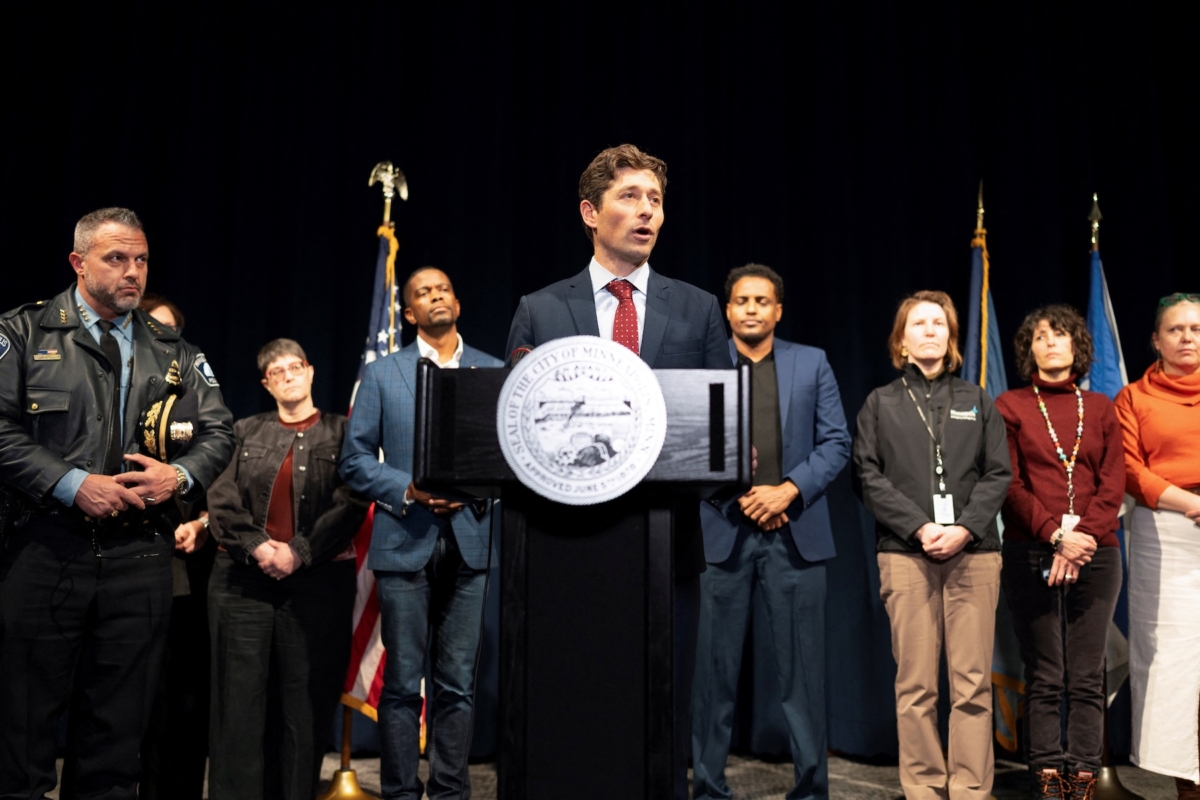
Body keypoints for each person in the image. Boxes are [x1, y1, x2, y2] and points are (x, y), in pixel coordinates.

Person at [504, 143, 730, 800]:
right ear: (589, 212)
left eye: (656, 200)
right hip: (564, 547)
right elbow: (517, 428)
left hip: (667, 544)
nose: (647, 212)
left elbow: (718, 426)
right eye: (630, 197)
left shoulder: (698, 310)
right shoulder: (541, 309)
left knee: (661, 712)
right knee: (574, 711)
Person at [0, 207, 235, 798]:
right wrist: (71, 483)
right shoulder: (23, 333)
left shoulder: (173, 348)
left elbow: (220, 432)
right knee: (21, 736)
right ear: (78, 263)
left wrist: (177, 479)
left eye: (142, 259)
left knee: (115, 740)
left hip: (139, 559)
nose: (133, 271)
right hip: (43, 548)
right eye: (117, 258)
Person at [340, 267, 502, 800]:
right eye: (422, 293)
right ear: (409, 313)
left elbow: (511, 456)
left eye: (443, 289)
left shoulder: (493, 371)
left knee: (457, 684)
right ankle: (401, 793)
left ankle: (451, 791)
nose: (435, 296)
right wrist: (408, 488)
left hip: (471, 541)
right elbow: (354, 461)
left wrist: (480, 488)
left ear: (457, 301)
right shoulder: (384, 375)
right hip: (402, 541)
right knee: (404, 684)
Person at [691, 264, 851, 800]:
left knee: (802, 679)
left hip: (795, 535)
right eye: (742, 301)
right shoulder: (706, 367)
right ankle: (709, 788)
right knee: (714, 677)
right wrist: (741, 495)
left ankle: (810, 791)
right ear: (728, 310)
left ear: (778, 309)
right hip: (722, 535)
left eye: (763, 300)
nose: (752, 309)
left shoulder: (812, 363)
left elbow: (835, 444)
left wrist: (786, 491)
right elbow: (690, 445)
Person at [852, 290, 1011, 800]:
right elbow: (867, 476)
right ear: (902, 339)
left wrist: (964, 528)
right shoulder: (880, 403)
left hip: (975, 552)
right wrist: (921, 528)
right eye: (918, 323)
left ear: (951, 337)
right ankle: (923, 788)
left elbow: (998, 473)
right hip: (905, 555)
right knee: (916, 684)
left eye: (939, 323)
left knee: (971, 683)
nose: (929, 331)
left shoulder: (977, 400)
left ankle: (969, 789)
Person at [204, 338, 368, 800]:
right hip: (242, 584)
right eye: (276, 371)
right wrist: (258, 547)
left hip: (317, 586)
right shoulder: (243, 431)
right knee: (238, 709)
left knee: (304, 709)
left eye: (295, 366)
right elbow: (220, 498)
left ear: (311, 371)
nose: (288, 375)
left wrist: (298, 551)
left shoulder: (343, 432)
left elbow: (351, 502)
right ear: (266, 383)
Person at [993, 305, 1124, 799]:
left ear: (1077, 347)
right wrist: (1055, 537)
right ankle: (1048, 776)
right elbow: (1009, 482)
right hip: (1031, 551)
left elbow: (1113, 483)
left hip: (1097, 554)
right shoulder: (1009, 405)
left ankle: (1084, 776)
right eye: (1041, 336)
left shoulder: (1103, 408)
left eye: (1061, 335)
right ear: (1029, 348)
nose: (1051, 343)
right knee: (1046, 672)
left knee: (1087, 673)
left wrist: (1080, 539)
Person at [1114, 292, 1200, 799]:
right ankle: (1187, 785)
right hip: (1163, 532)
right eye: (1176, 329)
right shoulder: (1133, 397)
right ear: (1156, 340)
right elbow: (1129, 467)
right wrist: (1189, 505)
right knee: (1173, 663)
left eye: (1195, 328)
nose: (1187, 337)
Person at [136, 292, 215, 800]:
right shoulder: (108, 399)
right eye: (149, 328)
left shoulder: (201, 403)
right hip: (123, 571)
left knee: (183, 700)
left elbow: (220, 479)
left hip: (187, 578)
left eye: (169, 334)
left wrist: (205, 521)